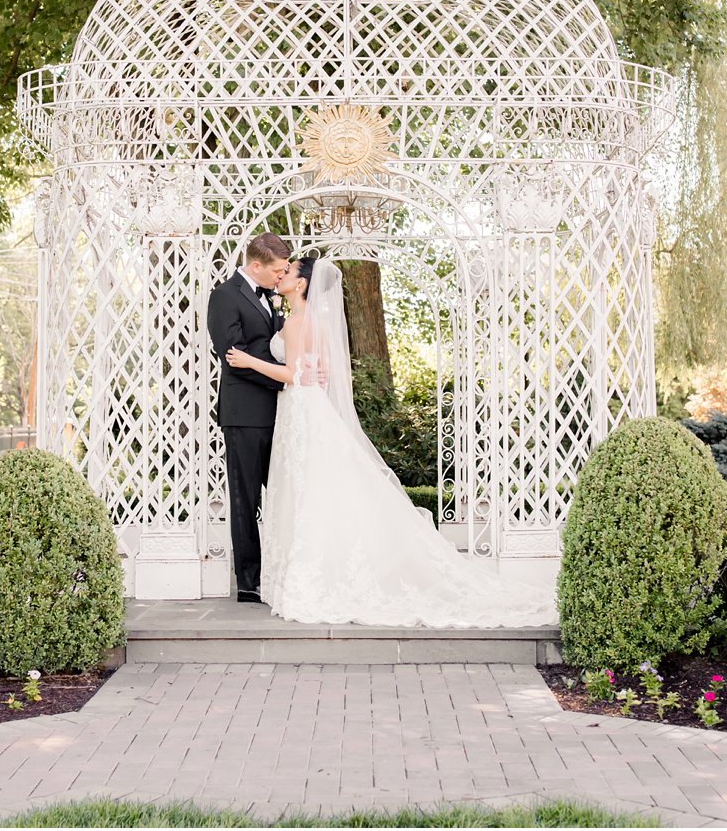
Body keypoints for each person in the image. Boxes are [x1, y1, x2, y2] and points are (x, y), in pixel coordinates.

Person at [226, 256, 557, 628]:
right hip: (306, 410)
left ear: (301, 285)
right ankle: (313, 572)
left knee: (309, 492)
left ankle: (313, 577)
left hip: (301, 410)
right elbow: (321, 371)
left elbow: (293, 374)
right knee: (317, 491)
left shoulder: (298, 322)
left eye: (287, 272)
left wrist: (249, 362)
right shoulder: (309, 321)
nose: (281, 275)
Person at [206, 233, 291, 604]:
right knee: (245, 497)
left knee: (286, 494)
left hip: (282, 413)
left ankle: (280, 568)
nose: (280, 276)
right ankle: (248, 580)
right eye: (276, 270)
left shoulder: (271, 297)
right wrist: (283, 374)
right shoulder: (224, 296)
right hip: (244, 412)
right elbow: (232, 354)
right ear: (256, 265)